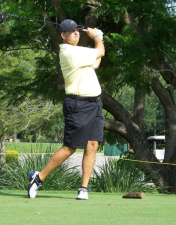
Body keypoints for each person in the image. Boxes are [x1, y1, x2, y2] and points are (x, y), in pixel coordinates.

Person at [28, 19, 105, 200]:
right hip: (78, 104)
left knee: (92, 145)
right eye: (71, 31)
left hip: (95, 104)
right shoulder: (69, 52)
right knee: (70, 147)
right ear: (63, 35)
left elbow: (96, 63)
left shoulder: (80, 53)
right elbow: (100, 51)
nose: (76, 33)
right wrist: (98, 37)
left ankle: (83, 189)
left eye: (77, 30)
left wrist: (98, 41)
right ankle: (38, 178)